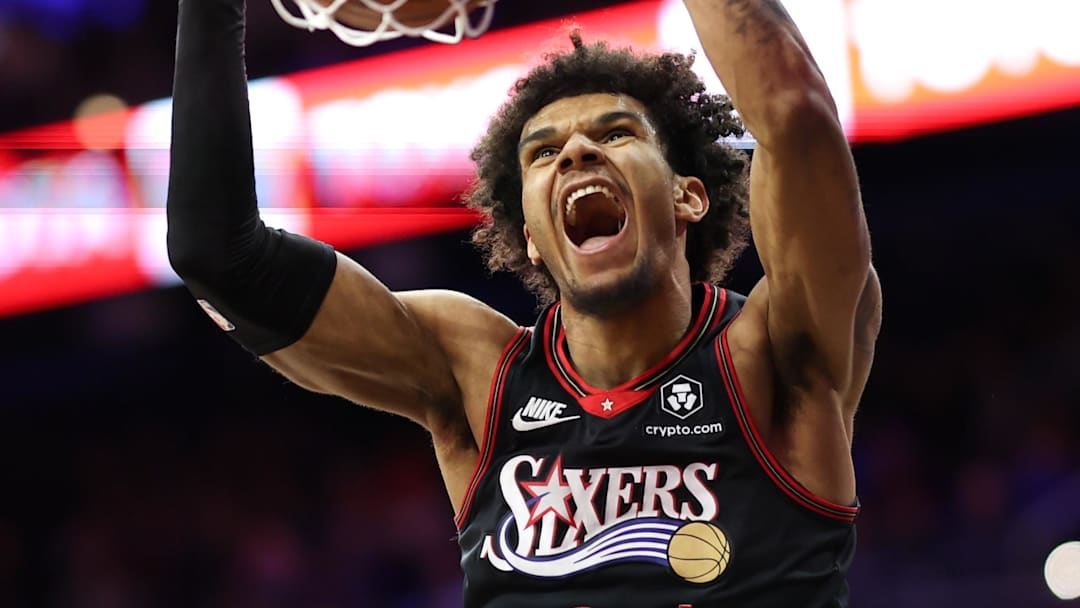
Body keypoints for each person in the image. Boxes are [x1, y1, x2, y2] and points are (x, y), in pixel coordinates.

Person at [166, 0, 882, 605]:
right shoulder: (477, 372)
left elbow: (792, 112)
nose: (575, 154)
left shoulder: (775, 353)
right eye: (544, 153)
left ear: (687, 194)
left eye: (616, 133)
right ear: (532, 236)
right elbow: (220, 259)